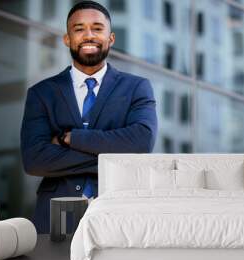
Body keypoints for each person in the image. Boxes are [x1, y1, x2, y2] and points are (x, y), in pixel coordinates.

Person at [20, 1, 157, 233]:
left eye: (97, 28)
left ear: (110, 38)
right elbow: (34, 159)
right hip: (55, 214)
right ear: (67, 39)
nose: (89, 35)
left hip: (119, 213)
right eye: (79, 28)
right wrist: (114, 157)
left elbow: (142, 142)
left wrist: (70, 139)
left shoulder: (137, 87)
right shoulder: (42, 93)